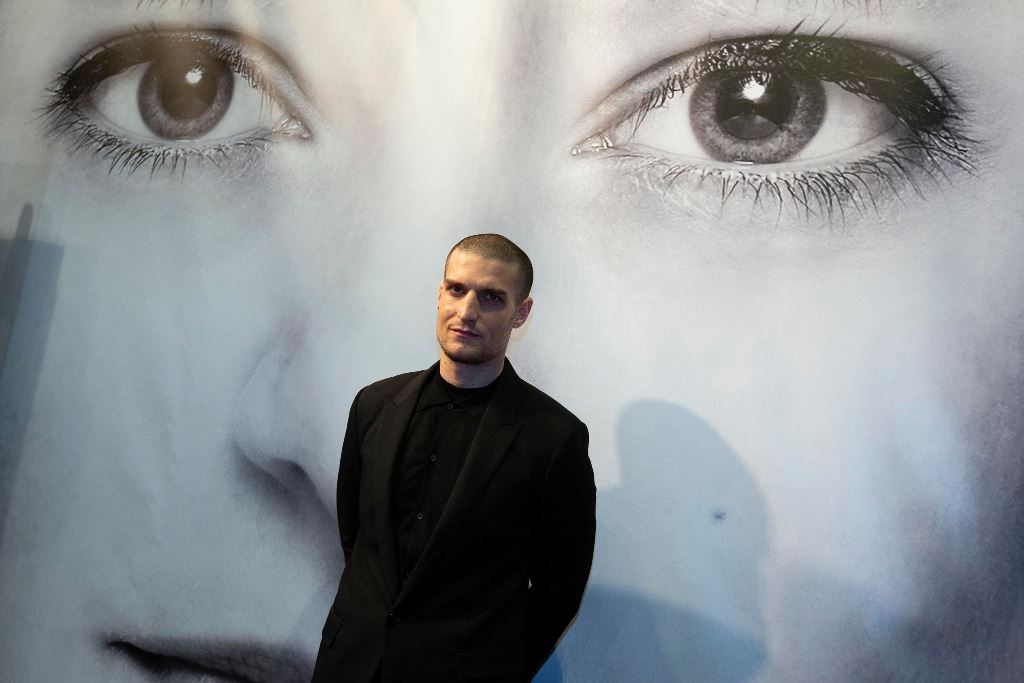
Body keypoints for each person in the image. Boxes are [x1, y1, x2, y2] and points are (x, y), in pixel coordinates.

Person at [1, 1, 1023, 681]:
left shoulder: (551, 443)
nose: (309, 416)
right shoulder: (370, 411)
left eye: (755, 110)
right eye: (190, 94)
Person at [311, 234, 596, 682]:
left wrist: (499, 668)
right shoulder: (373, 405)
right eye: (456, 289)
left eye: (491, 298)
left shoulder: (554, 438)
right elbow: (358, 536)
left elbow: (559, 587)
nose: (466, 312)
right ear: (439, 294)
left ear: (520, 313)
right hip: (351, 663)